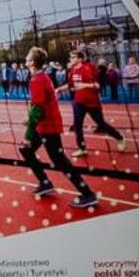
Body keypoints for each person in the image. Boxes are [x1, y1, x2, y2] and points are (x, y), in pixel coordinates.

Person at [19, 48, 99, 208]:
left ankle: (88, 194)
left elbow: (37, 108)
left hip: (49, 126)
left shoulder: (37, 80)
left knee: (59, 160)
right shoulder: (41, 77)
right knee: (26, 150)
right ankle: (45, 182)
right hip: (44, 124)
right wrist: (30, 121)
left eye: (28, 58)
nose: (26, 60)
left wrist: (28, 134)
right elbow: (40, 106)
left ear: (32, 62)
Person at [67, 49, 127, 158]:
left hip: (92, 102)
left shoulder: (88, 68)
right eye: (70, 57)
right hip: (79, 102)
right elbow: (71, 85)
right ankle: (82, 149)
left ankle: (119, 137)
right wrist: (58, 89)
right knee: (77, 125)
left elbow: (98, 85)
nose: (71, 59)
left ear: (80, 59)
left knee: (102, 124)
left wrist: (84, 85)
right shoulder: (72, 71)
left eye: (73, 57)